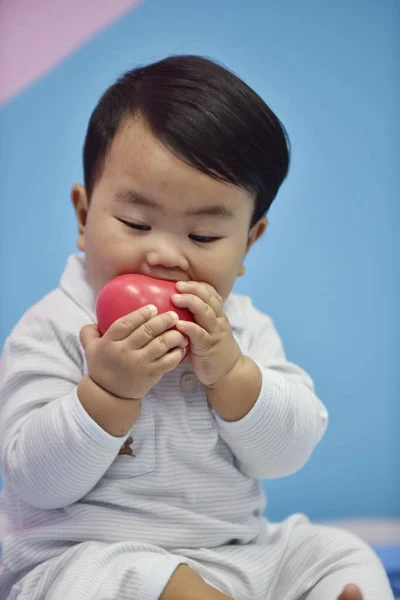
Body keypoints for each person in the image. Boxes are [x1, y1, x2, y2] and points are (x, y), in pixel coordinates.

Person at [0, 55, 393, 600]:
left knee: (336, 553)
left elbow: (287, 453)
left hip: (235, 554)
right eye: (136, 224)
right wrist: (107, 392)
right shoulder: (54, 328)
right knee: (126, 582)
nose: (164, 254)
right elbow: (35, 480)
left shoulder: (243, 330)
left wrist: (231, 374)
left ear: (248, 243)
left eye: (204, 237)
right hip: (86, 560)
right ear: (83, 217)